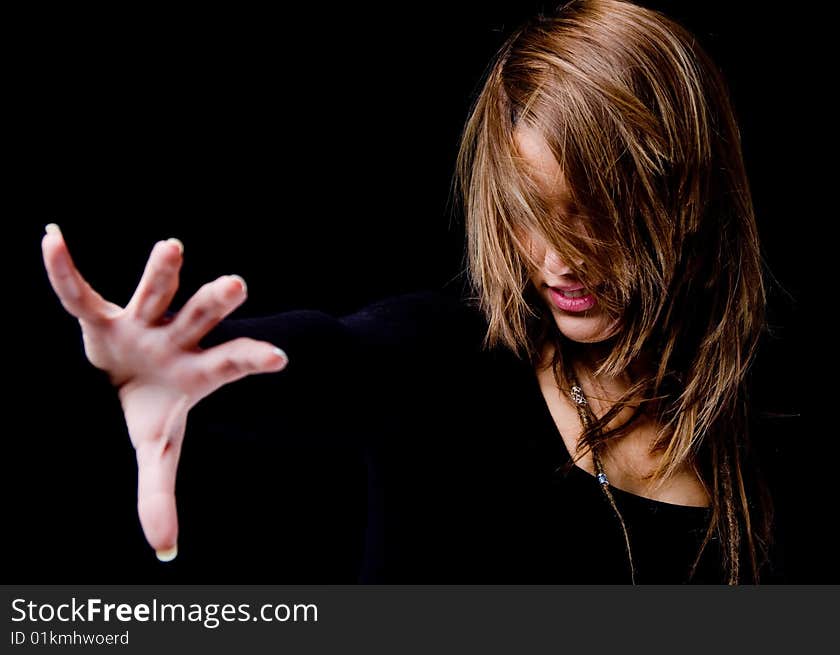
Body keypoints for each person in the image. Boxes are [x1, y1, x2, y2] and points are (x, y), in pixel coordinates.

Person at [41, 0, 783, 584]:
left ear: (686, 197)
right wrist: (162, 365)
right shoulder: (445, 359)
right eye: (529, 214)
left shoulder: (766, 435)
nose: (557, 259)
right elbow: (338, 353)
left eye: (594, 215)